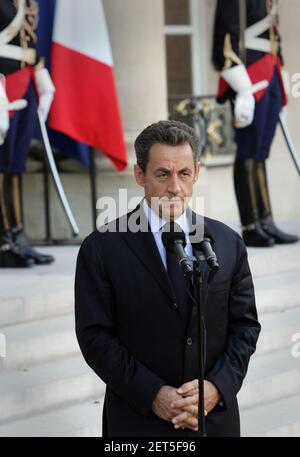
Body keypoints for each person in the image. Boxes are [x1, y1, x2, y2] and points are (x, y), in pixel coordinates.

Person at [75, 120, 261, 437]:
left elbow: (244, 327)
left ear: (197, 173)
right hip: (138, 423)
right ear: (139, 175)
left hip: (213, 421)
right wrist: (154, 395)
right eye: (163, 174)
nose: (175, 186)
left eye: (184, 173)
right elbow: (96, 338)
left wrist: (216, 388)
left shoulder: (228, 243)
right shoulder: (101, 248)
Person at [212, 0, 299, 247]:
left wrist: (279, 72)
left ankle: (266, 220)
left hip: (270, 72)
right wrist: (242, 88)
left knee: (261, 153)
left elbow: (273, 35)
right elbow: (223, 39)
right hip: (249, 77)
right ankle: (250, 225)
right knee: (248, 150)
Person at [0, 0, 55, 268]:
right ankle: (5, 240)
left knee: (14, 166)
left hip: (23, 83)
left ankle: (18, 235)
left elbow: (30, 45)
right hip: (1, 84)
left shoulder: (27, 3)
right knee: (0, 166)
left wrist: (44, 82)